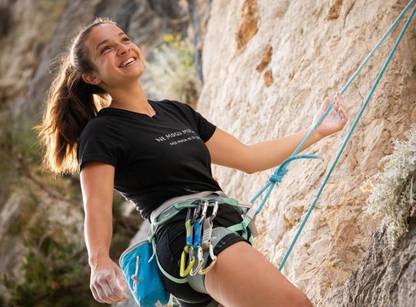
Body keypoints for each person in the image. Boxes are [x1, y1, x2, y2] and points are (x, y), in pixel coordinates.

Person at [35, 17, 347, 307]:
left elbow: (249, 157)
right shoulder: (102, 131)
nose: (123, 49)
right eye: (106, 50)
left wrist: (316, 131)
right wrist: (99, 262)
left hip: (217, 227)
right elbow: (97, 206)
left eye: (124, 39)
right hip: (188, 239)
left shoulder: (177, 112)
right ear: (92, 76)